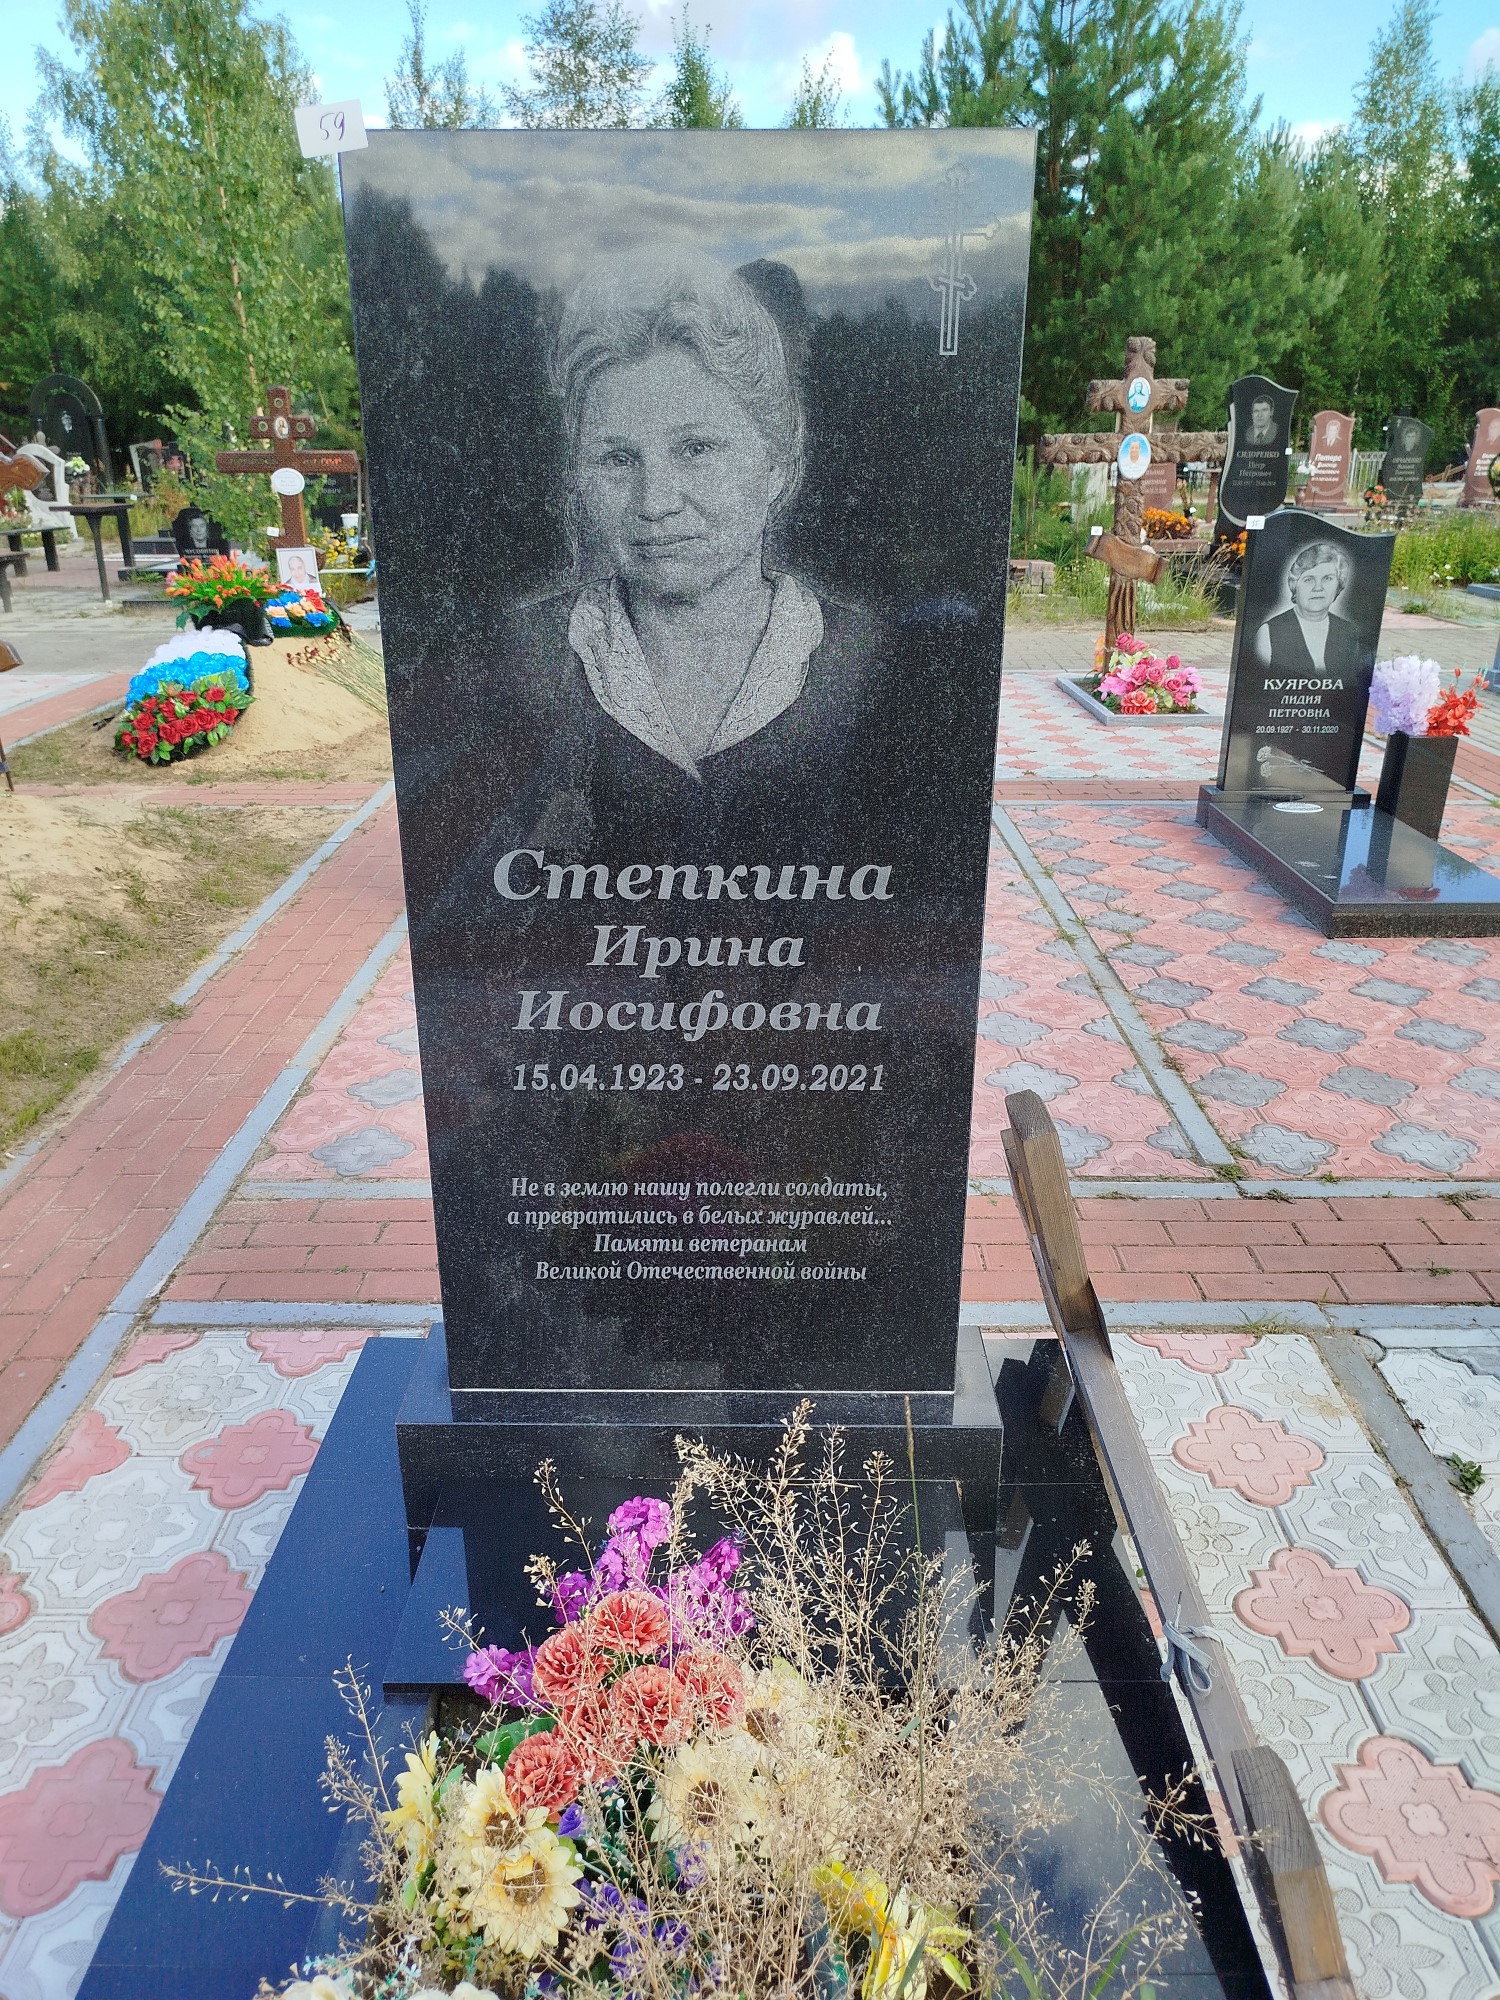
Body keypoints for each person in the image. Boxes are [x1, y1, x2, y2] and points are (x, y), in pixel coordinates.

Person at [547, 253, 822, 780]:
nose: (655, 503)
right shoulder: (512, 659)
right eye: (618, 459)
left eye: (695, 449)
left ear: (775, 463)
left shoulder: (877, 663)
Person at [1254, 539, 1361, 676]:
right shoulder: (1268, 632)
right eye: (1309, 579)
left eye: (1327, 578)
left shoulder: (1349, 631)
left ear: (1339, 584)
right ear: (1295, 584)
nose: (1318, 588)